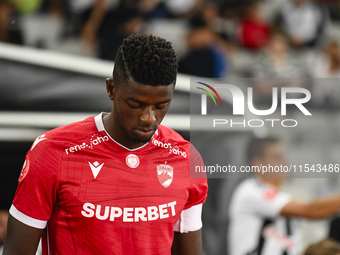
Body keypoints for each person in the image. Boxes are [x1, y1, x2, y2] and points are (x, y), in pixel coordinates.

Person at [3, 33, 208, 255]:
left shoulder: (186, 158)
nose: (149, 117)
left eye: (161, 105)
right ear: (111, 89)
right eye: (135, 104)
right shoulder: (53, 151)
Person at [228, 137, 340, 255]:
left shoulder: (283, 196)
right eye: (277, 157)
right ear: (257, 163)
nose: (284, 162)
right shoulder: (251, 190)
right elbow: (311, 210)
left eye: (284, 156)